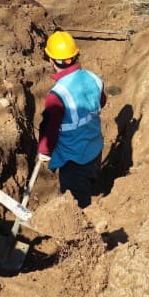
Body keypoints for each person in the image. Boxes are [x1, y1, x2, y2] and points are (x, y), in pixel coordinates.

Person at [34, 31, 106, 208]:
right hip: (95, 148)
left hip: (73, 159)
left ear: (51, 60)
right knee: (89, 183)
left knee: (77, 206)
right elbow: (101, 101)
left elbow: (51, 130)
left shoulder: (57, 95)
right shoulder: (93, 77)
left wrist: (44, 150)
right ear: (75, 55)